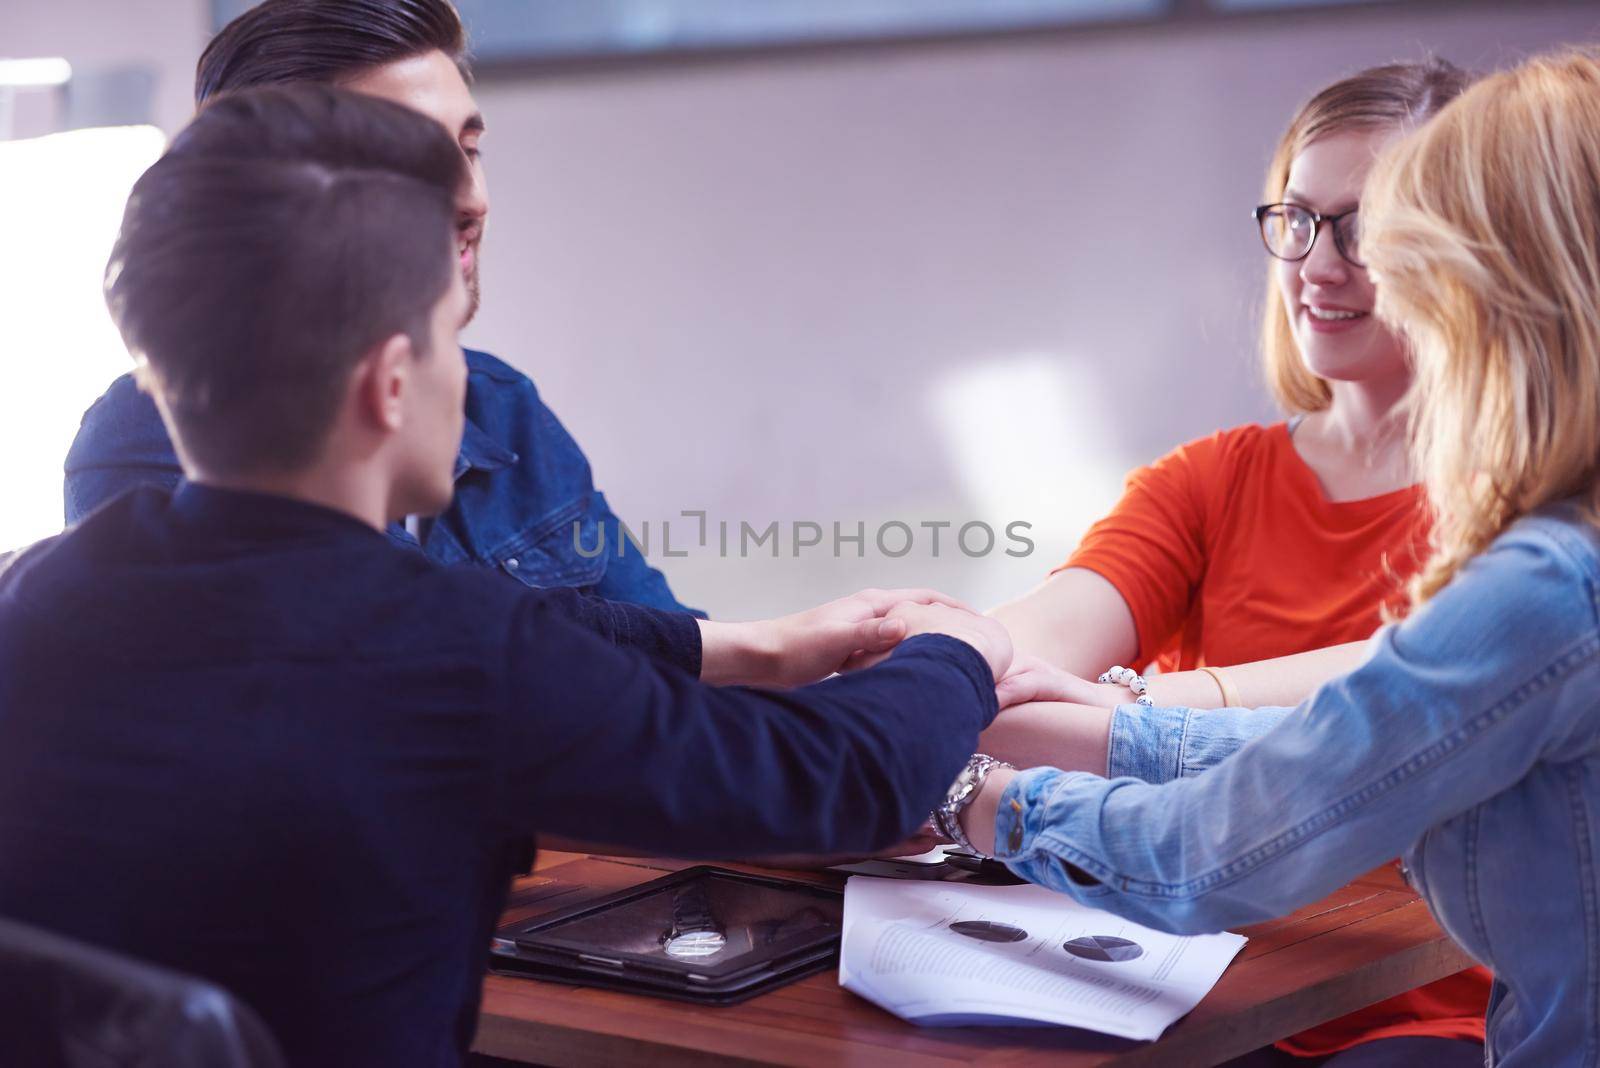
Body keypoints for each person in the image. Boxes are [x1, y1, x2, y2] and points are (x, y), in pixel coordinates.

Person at [0, 86, 1013, 1067]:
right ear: (391, 382)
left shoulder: (40, 595)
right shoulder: (446, 655)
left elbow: (521, 637)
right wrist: (955, 654)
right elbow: (830, 783)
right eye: (449, 335)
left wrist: (742, 646)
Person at [951, 47, 1600, 1068]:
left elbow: (1216, 848)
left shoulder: (1545, 584)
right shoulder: (1552, 551)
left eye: (1395, 239)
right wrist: (934, 675)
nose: (1323, 263)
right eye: (1297, 222)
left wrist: (966, 795)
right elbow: (1349, 751)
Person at [62, 0, 698, 614]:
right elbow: (394, 648)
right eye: (412, 159)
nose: (472, 197)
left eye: (468, 150)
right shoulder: (150, 436)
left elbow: (676, 666)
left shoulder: (502, 408)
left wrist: (765, 659)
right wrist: (733, 654)